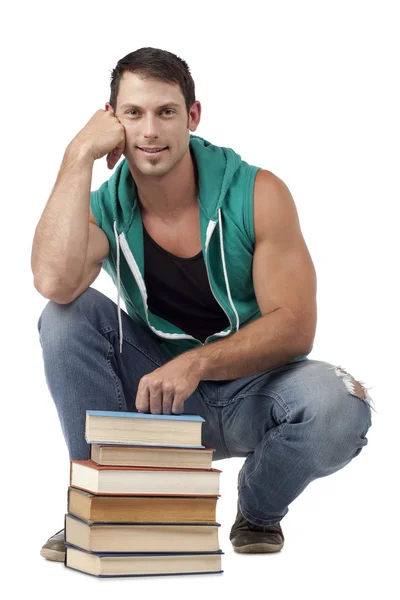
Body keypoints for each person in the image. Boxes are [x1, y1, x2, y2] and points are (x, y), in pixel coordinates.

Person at [32, 47, 374, 562]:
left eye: (166, 111)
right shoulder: (105, 209)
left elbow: (296, 327)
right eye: (133, 113)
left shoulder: (257, 192)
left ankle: (258, 510)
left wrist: (196, 364)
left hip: (256, 393)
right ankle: (105, 503)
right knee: (65, 317)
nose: (150, 130)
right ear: (112, 120)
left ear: (192, 116)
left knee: (338, 405)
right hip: (160, 401)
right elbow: (54, 282)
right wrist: (77, 155)